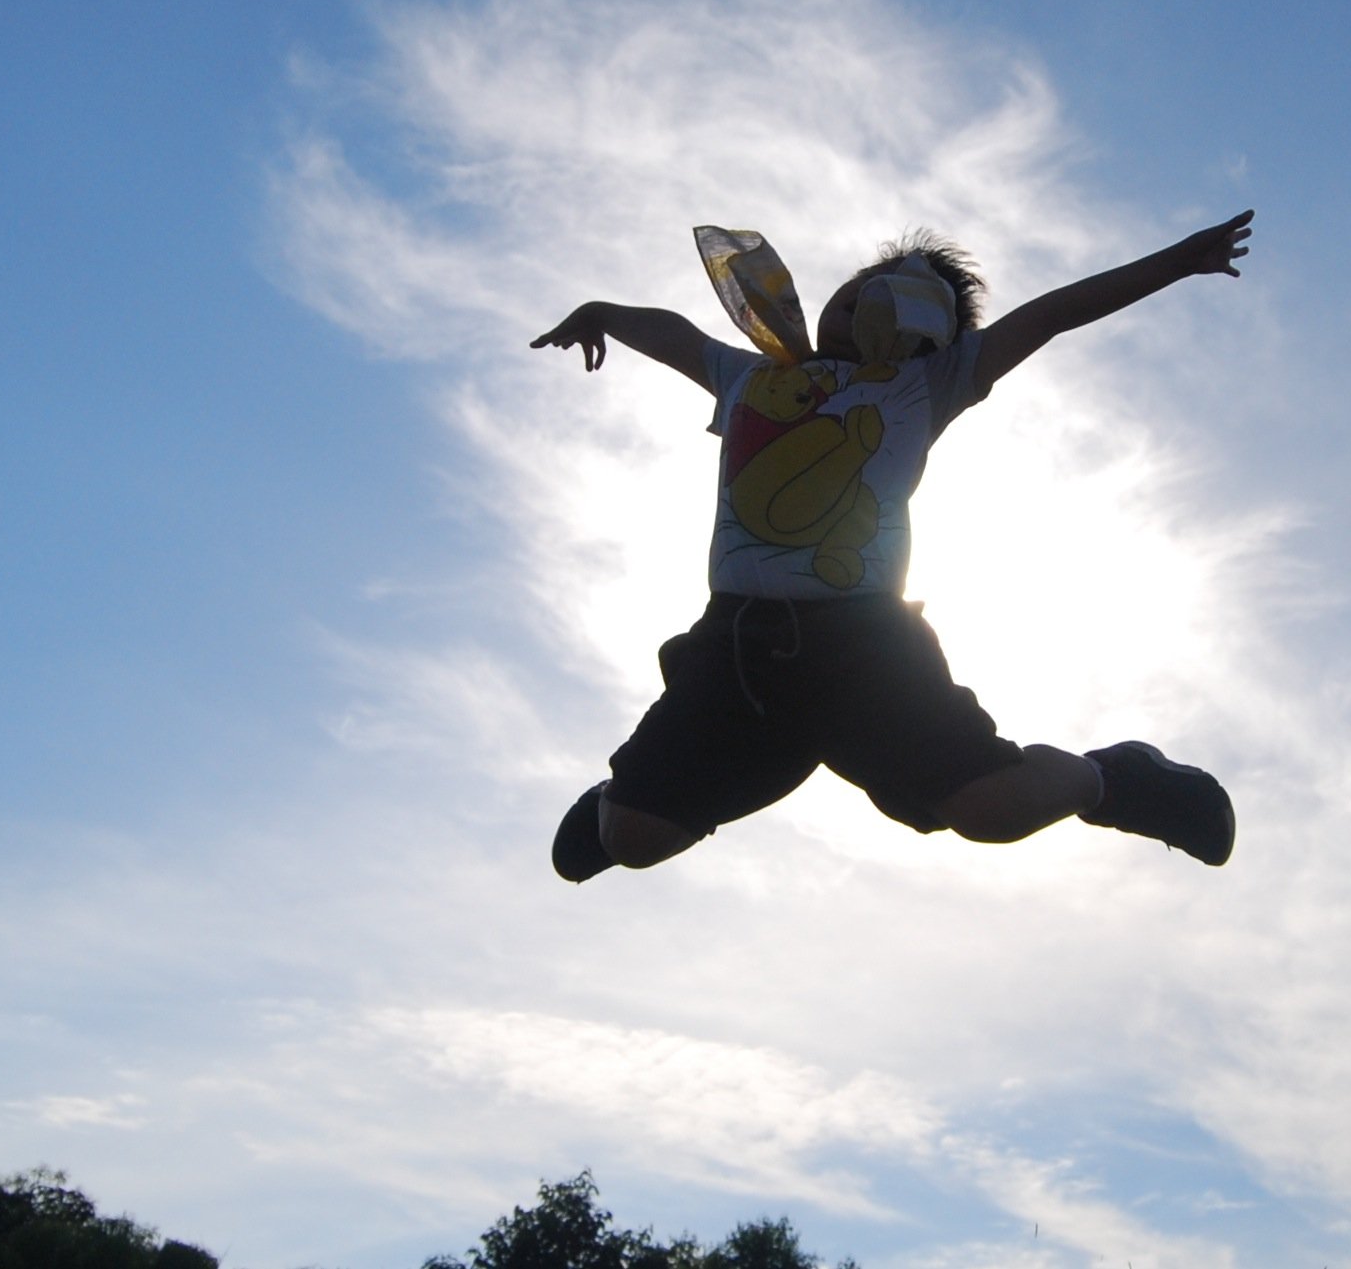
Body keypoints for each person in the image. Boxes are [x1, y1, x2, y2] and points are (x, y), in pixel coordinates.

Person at [526, 210, 1257, 882]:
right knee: (632, 838)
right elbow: (677, 335)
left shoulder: (927, 383)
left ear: (927, 336)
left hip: (866, 643)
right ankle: (641, 792)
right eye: (856, 293)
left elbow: (1051, 315)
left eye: (895, 306)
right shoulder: (755, 374)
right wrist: (601, 313)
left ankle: (1115, 777)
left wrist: (1174, 262)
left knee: (990, 812)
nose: (861, 310)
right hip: (737, 640)